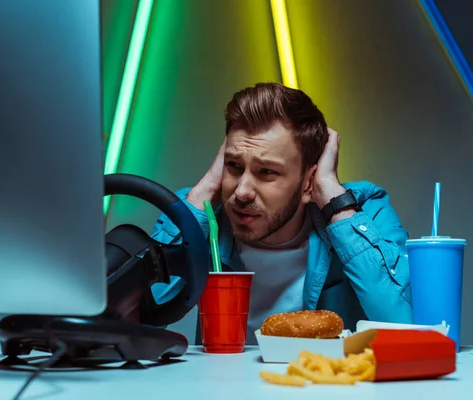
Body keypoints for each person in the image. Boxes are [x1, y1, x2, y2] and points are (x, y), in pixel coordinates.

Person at [151, 82, 413, 344]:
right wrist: (204, 192)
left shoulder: (360, 211)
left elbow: (405, 328)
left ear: (308, 182)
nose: (242, 192)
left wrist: (336, 204)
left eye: (266, 172)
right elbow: (136, 318)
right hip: (222, 383)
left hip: (323, 383)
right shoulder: (199, 214)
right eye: (233, 165)